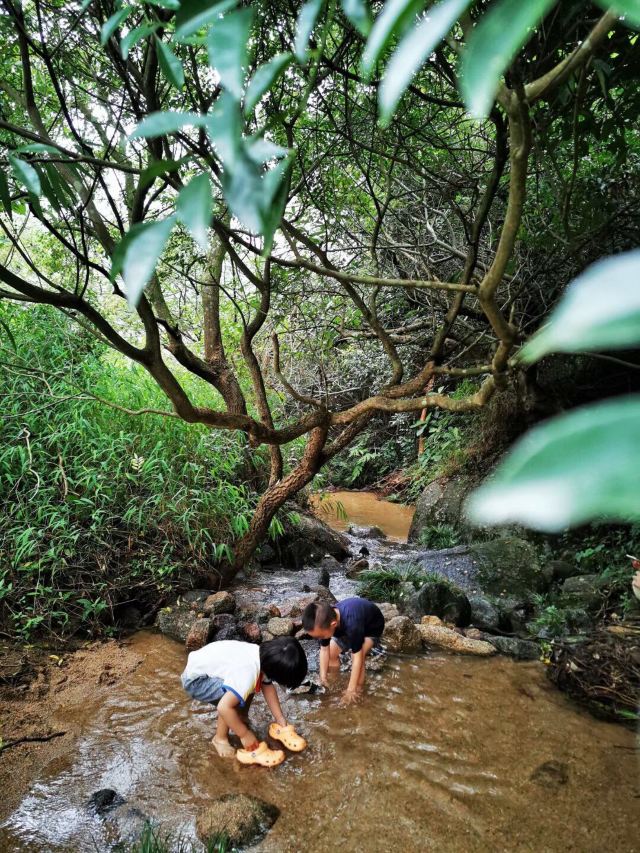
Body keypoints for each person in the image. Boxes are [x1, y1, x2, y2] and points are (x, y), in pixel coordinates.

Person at [181, 637, 308, 767]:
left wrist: (280, 719)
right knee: (232, 700)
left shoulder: (264, 658)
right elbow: (223, 707)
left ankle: (240, 718)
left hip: (207, 666)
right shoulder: (247, 673)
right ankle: (220, 738)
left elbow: (268, 687)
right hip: (197, 681)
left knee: (248, 688)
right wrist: (244, 734)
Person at [302, 597, 385, 704]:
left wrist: (351, 689)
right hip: (347, 629)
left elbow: (358, 658)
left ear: (333, 625)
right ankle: (335, 679)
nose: (320, 639)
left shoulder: (352, 625)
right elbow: (324, 650)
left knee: (357, 654)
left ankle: (358, 690)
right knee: (331, 652)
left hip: (371, 629)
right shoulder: (324, 621)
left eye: (321, 636)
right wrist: (323, 677)